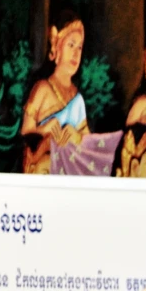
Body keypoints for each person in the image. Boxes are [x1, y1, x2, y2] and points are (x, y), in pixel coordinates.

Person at [20, 9, 90, 175]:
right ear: (56, 46)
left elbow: (90, 144)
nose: (75, 53)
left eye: (79, 47)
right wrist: (44, 130)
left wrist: (77, 137)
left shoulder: (77, 99)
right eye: (70, 45)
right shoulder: (42, 88)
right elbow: (25, 134)